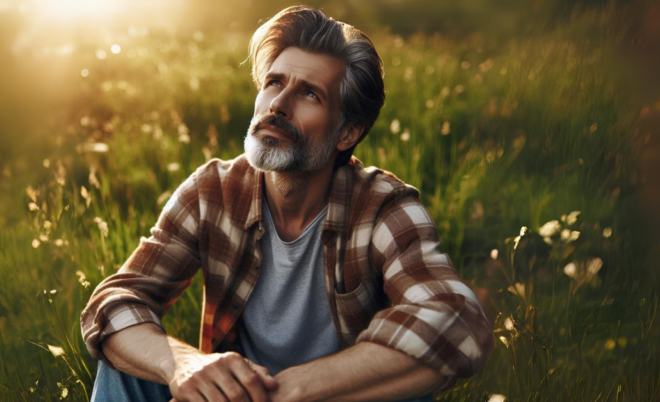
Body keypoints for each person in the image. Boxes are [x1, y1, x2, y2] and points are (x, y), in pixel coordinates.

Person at [80, 5, 494, 402]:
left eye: (309, 94)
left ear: (347, 132)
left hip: (335, 397)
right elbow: (114, 302)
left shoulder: (383, 207)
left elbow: (457, 321)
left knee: (415, 374)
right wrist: (185, 366)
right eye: (274, 83)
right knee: (125, 362)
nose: (278, 105)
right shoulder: (213, 191)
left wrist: (289, 390)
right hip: (238, 398)